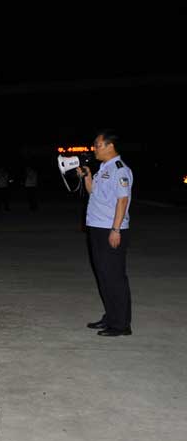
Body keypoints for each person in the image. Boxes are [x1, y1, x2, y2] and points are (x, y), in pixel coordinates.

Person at [80, 130, 133, 337]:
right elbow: (93, 192)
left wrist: (116, 229)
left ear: (110, 146)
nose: (94, 149)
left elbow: (123, 200)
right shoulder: (104, 168)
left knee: (115, 277)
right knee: (103, 276)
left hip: (110, 229)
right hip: (97, 227)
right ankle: (111, 317)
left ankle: (121, 325)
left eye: (98, 145)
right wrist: (87, 176)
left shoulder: (120, 169)